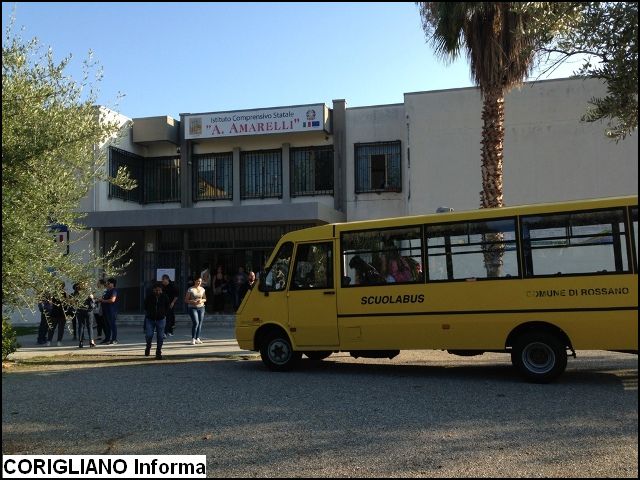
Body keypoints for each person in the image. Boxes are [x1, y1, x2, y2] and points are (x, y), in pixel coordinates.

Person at [144, 282, 171, 359]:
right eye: (156, 290)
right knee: (149, 335)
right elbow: (145, 306)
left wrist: (163, 314)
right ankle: (148, 346)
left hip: (161, 319)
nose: (158, 292)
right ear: (153, 290)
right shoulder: (149, 297)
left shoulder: (165, 297)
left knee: (160, 336)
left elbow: (167, 307)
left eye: (159, 290)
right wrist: (150, 313)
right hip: (150, 319)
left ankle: (158, 352)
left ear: (161, 290)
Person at [73, 282, 96, 348]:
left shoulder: (76, 292)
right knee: (90, 326)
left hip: (80, 311)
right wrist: (92, 297)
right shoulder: (88, 292)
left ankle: (80, 342)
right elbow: (92, 301)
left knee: (81, 326)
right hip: (88, 311)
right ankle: (91, 341)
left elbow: (74, 302)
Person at [46, 281, 69, 346]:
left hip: (55, 312)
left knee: (52, 328)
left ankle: (49, 341)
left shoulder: (54, 293)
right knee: (60, 328)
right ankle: (58, 341)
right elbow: (68, 302)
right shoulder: (64, 293)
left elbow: (50, 302)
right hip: (61, 312)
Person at [185, 276, 206, 345]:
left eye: (200, 281)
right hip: (192, 308)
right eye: (197, 281)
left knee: (200, 323)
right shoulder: (190, 289)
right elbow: (186, 300)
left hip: (201, 307)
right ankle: (193, 339)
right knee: (196, 322)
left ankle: (197, 338)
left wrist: (201, 300)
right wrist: (193, 301)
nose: (199, 282)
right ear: (195, 281)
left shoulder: (202, 289)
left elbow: (205, 299)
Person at [99, 278, 118, 345]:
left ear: (112, 284)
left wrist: (103, 301)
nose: (107, 284)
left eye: (108, 283)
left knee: (112, 325)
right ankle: (107, 339)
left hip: (111, 310)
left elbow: (112, 300)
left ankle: (114, 339)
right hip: (105, 310)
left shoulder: (114, 290)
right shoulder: (107, 290)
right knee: (107, 326)